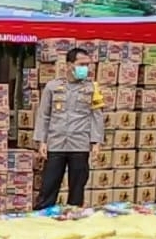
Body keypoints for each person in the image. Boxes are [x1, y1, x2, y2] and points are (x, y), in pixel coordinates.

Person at [33, 47, 104, 210]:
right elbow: (44, 115)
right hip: (56, 143)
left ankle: (73, 220)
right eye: (81, 64)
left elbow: (97, 116)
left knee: (77, 189)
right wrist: (42, 142)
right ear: (69, 65)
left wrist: (96, 143)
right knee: (49, 186)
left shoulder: (93, 88)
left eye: (87, 65)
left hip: (79, 144)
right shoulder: (52, 87)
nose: (85, 68)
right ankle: (42, 219)